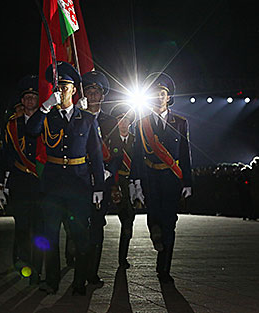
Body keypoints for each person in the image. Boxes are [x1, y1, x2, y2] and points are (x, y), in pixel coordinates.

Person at [30, 61, 105, 296]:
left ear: (74, 90)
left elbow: (95, 155)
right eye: (57, 87)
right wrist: (43, 107)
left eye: (65, 87)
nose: (60, 91)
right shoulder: (48, 116)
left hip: (79, 185)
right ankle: (51, 281)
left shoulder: (87, 119)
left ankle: (79, 282)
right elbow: (30, 131)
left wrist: (98, 187)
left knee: (81, 236)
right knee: (50, 236)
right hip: (52, 186)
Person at [130, 72, 193, 284]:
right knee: (154, 217)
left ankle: (164, 268)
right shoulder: (141, 123)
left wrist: (188, 182)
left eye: (162, 93)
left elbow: (185, 154)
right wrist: (136, 182)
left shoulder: (181, 122)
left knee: (170, 223)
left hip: (172, 178)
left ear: (168, 97)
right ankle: (155, 235)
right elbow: (137, 154)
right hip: (150, 178)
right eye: (155, 94)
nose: (159, 97)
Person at [0, 74, 42, 284]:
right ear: (22, 101)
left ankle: (37, 270)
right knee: (22, 228)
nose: (30, 100)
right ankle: (24, 265)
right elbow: (3, 156)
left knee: (39, 230)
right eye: (27, 97)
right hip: (20, 182)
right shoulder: (12, 125)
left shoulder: (46, 122)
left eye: (34, 97)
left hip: (41, 184)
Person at [82, 70, 122, 287]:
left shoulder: (110, 121)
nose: (92, 95)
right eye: (88, 90)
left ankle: (92, 272)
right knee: (79, 225)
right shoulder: (77, 117)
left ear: (103, 96)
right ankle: (79, 264)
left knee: (97, 226)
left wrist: (108, 172)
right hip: (79, 179)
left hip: (102, 181)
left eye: (96, 91)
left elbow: (117, 152)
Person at [109, 103, 137, 270]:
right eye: (120, 120)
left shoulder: (135, 140)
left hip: (129, 184)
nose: (124, 123)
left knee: (128, 220)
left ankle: (122, 257)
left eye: (126, 120)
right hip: (112, 182)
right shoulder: (109, 139)